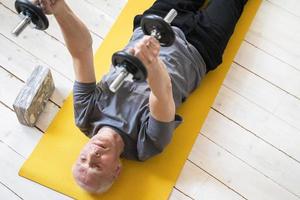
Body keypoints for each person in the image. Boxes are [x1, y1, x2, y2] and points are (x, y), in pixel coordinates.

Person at [39, 0, 247, 194]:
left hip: (155, 23)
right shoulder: (144, 146)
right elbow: (163, 94)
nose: (93, 154)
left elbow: (81, 53)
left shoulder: (85, 116)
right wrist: (151, 63)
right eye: (97, 165)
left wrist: (59, 10)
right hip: (200, 45)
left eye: (83, 158)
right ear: (116, 170)